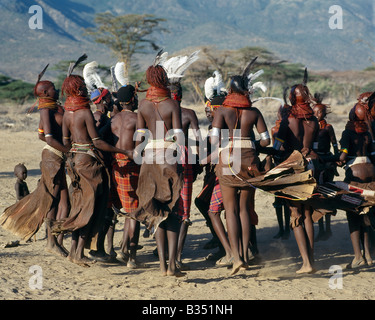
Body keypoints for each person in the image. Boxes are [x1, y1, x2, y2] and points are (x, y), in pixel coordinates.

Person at [51, 70, 132, 267]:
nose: (85, 90)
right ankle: (77, 253)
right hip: (89, 163)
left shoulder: (68, 113)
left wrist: (75, 153)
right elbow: (97, 142)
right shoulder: (84, 112)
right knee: (91, 207)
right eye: (82, 87)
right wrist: (123, 150)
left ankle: (74, 252)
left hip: (75, 162)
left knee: (80, 205)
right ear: (77, 89)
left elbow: (66, 141)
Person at [1, 66, 70, 257]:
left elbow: (41, 136)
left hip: (57, 156)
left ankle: (57, 240)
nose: (56, 90)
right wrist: (68, 150)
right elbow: (47, 138)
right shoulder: (45, 110)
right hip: (53, 158)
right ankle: (51, 241)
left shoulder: (51, 107)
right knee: (53, 200)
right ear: (46, 92)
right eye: (53, 87)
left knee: (63, 202)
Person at [210, 58, 271, 275]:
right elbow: (266, 141)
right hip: (250, 162)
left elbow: (214, 140)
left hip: (228, 161)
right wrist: (250, 144)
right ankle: (245, 254)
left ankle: (236, 258)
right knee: (245, 210)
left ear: (230, 90)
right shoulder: (254, 112)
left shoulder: (222, 112)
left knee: (231, 211)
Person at [128, 54, 184, 277]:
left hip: (148, 160)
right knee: (173, 212)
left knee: (156, 213)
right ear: (164, 79)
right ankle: (172, 266)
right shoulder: (172, 104)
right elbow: (179, 137)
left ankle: (162, 266)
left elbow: (140, 137)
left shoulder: (142, 105)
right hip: (168, 159)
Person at [274, 69, 319, 274]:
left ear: (292, 98)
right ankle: (312, 260)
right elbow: (313, 146)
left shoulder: (288, 121)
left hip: (294, 167)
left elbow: (277, 147)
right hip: (310, 165)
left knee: (295, 213)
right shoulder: (314, 121)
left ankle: (306, 263)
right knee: (308, 213)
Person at [337, 102, 375, 268]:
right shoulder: (367, 133)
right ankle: (368, 254)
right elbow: (373, 154)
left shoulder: (347, 133)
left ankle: (357, 256)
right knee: (366, 214)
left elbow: (343, 156)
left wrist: (335, 160)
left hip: (355, 176)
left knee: (353, 215)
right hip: (371, 174)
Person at [111, 84, 142, 268]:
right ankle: (131, 257)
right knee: (134, 212)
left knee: (126, 210)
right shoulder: (137, 119)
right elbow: (141, 146)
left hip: (116, 166)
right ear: (132, 100)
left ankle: (122, 249)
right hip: (131, 165)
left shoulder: (113, 119)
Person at [312, 94, 339, 241]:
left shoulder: (328, 127)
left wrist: (337, 158)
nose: (317, 114)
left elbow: (335, 145)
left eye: (319, 112)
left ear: (324, 113)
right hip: (316, 162)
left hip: (327, 161)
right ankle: (321, 229)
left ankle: (328, 228)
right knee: (317, 195)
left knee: (327, 194)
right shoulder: (310, 126)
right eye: (314, 112)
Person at [270, 106, 290, 240]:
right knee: (278, 198)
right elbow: (274, 148)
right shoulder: (273, 129)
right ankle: (281, 228)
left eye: (284, 113)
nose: (281, 115)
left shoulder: (290, 127)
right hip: (277, 163)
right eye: (280, 112)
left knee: (287, 198)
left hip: (288, 162)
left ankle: (287, 228)